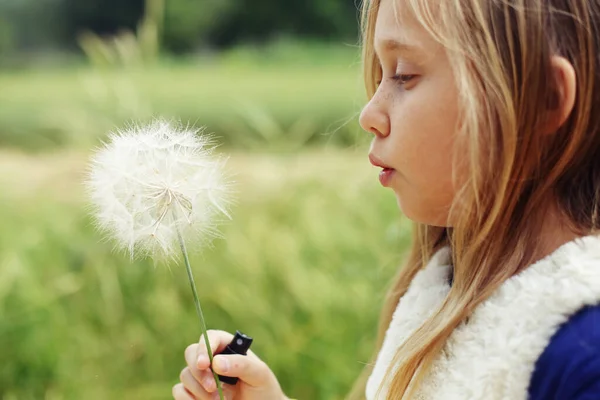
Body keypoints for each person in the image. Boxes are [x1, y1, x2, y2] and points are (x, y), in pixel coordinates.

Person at [172, 0, 600, 398]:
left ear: (544, 97)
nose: (369, 114)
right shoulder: (439, 290)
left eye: (404, 74)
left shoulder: (583, 358)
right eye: (379, 77)